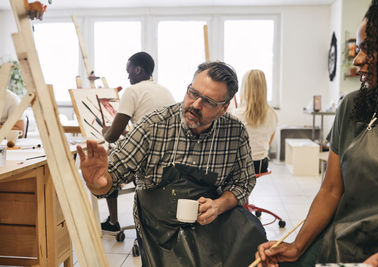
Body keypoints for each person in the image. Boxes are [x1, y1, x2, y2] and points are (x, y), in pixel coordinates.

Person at [78, 61, 267, 266]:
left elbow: (243, 182)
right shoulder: (154, 125)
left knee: (251, 236)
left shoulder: (234, 132)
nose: (195, 104)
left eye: (208, 101)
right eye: (193, 93)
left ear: (223, 109)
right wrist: (98, 182)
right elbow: (114, 174)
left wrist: (218, 206)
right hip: (157, 227)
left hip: (207, 221)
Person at [255, 0, 378, 266]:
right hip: (343, 242)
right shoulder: (353, 107)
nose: (357, 60)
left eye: (367, 49)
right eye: (357, 49)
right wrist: (297, 247)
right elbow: (332, 190)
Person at [100, 51, 175, 234]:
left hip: (146, 162)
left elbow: (112, 137)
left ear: (138, 70)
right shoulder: (165, 90)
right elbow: (149, 130)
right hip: (170, 160)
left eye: (129, 71)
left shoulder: (132, 91)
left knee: (107, 168)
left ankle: (113, 221)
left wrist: (105, 132)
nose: (127, 75)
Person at [233, 70, 278, 174]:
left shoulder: (237, 114)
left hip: (243, 166)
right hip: (262, 164)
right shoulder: (273, 114)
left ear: (245, 88)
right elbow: (269, 141)